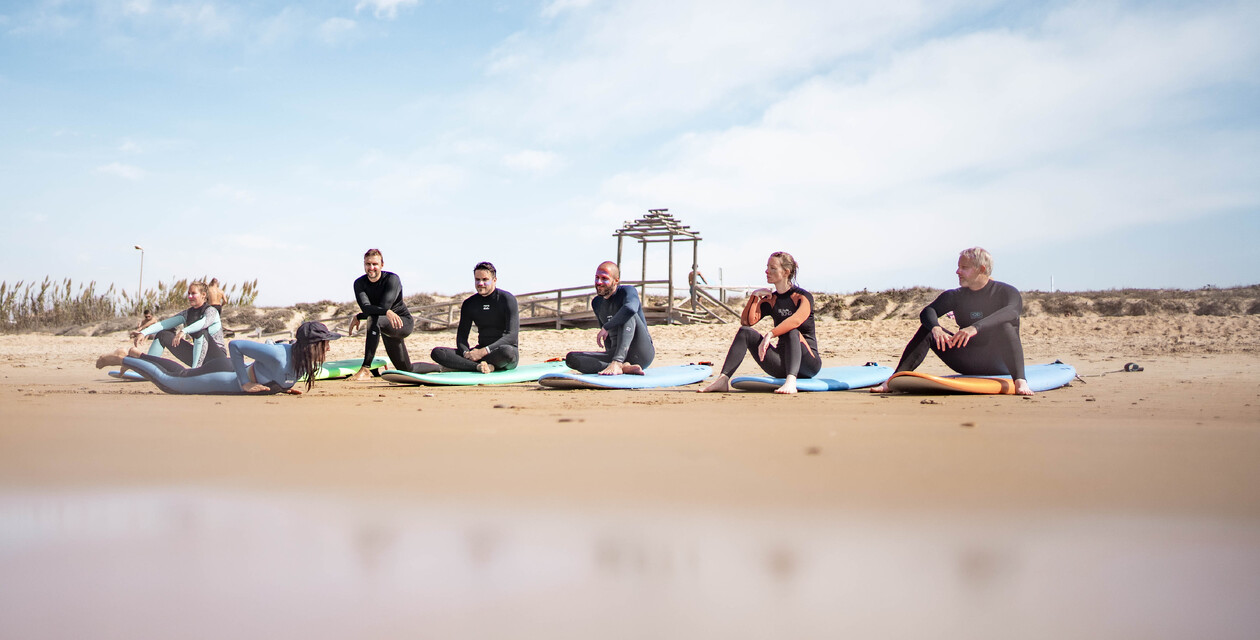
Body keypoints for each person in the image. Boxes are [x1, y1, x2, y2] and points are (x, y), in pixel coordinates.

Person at [869, 247, 1032, 396]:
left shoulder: (1005, 292)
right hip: (966, 359)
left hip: (1000, 361)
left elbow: (1011, 312)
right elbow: (928, 311)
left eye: (964, 268)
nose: (957, 271)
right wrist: (936, 328)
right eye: (958, 266)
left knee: (1006, 326)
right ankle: (893, 380)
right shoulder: (955, 296)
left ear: (981, 269)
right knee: (928, 329)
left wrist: (975, 327)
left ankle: (1020, 381)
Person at [95, 321, 338, 395]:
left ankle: (138, 354)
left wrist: (282, 387)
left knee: (181, 371)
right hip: (222, 375)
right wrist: (244, 381)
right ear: (311, 346)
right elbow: (236, 345)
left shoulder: (305, 363)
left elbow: (274, 373)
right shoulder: (278, 355)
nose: (328, 349)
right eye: (325, 344)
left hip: (231, 371)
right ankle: (120, 359)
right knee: (169, 382)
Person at [699, 251, 821, 394]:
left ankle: (791, 382)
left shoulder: (802, 297)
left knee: (791, 331)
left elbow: (796, 321)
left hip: (807, 364)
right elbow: (746, 321)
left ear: (786, 271)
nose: (767, 271)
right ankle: (723, 379)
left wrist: (770, 334)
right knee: (745, 332)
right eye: (767, 266)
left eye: (773, 268)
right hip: (781, 363)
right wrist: (754, 298)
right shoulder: (772, 299)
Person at [564, 261, 655, 375]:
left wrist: (607, 326)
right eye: (597, 278)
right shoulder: (596, 303)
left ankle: (618, 363)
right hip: (615, 352)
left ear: (616, 280)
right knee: (572, 359)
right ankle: (623, 366)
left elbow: (630, 309)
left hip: (640, 352)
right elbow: (607, 336)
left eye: (604, 278)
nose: (599, 282)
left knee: (626, 312)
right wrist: (609, 353)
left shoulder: (627, 291)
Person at [430, 261, 520, 374]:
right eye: (477, 279)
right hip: (479, 354)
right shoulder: (469, 303)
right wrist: (466, 353)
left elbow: (511, 336)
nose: (480, 283)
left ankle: (466, 366)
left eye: (485, 280)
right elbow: (462, 337)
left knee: (507, 352)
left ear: (494, 280)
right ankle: (478, 367)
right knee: (438, 352)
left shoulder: (507, 299)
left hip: (500, 353)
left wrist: (483, 351)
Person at [123, 281, 228, 370]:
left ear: (203, 295)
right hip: (198, 355)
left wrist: (183, 331)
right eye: (188, 293)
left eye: (193, 293)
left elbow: (202, 323)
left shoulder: (211, 311)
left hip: (217, 359)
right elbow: (164, 324)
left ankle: (194, 371)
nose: (190, 296)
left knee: (201, 332)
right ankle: (148, 369)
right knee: (163, 334)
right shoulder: (187, 313)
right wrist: (143, 332)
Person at [348, 249, 414, 380]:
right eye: (368, 264)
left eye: (375, 264)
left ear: (382, 265)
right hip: (386, 325)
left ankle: (366, 368)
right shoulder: (359, 283)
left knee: (374, 318)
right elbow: (366, 308)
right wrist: (362, 315)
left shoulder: (392, 279)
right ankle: (439, 368)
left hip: (402, 322)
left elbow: (384, 307)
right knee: (407, 370)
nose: (371, 268)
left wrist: (362, 316)